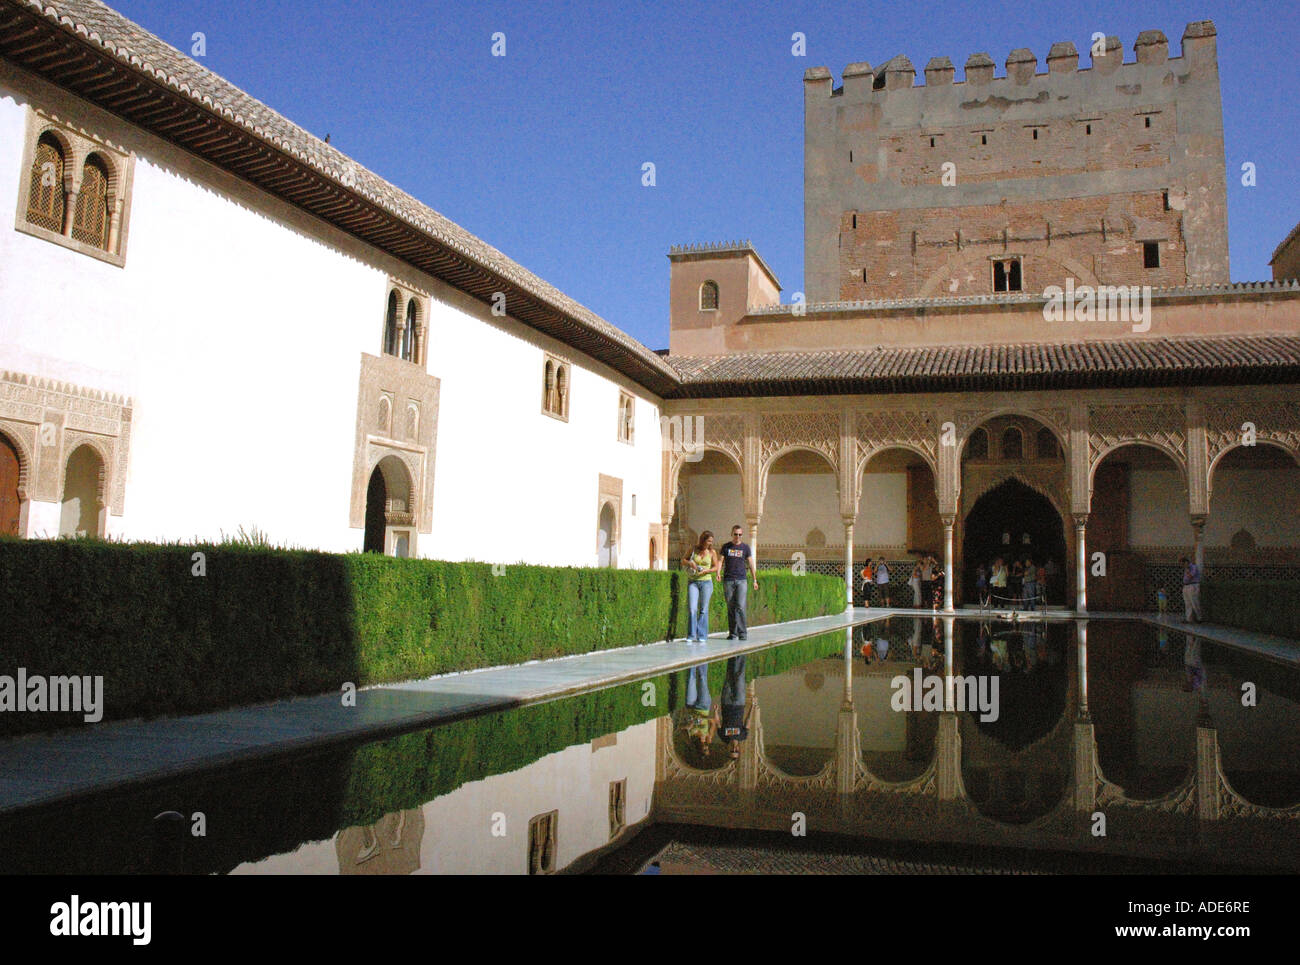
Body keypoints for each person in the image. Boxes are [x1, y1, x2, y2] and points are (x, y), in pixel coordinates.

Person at [681, 531, 720, 643]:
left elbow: (716, 567)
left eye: (711, 541)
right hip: (693, 582)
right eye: (708, 541)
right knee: (692, 609)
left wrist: (707, 571)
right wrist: (690, 563)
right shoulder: (693, 549)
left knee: (703, 609)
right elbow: (683, 560)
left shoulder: (712, 552)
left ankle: (702, 635)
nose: (710, 543)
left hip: (706, 583)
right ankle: (691, 635)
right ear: (703, 540)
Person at [720, 524, 758, 640]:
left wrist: (755, 580)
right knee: (731, 607)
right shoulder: (726, 547)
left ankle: (742, 633)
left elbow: (751, 564)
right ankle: (733, 633)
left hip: (742, 580)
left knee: (740, 606)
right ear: (732, 534)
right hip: (728, 580)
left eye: (740, 535)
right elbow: (720, 561)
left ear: (742, 535)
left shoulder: (745, 548)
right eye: (736, 534)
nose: (738, 536)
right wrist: (717, 573)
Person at [713, 655, 751, 760]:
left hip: (726, 703)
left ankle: (732, 655)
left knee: (729, 678)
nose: (734, 749)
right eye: (736, 751)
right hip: (739, 704)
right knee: (739, 678)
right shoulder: (743, 736)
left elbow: (718, 723)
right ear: (739, 749)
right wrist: (752, 707)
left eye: (732, 751)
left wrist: (716, 711)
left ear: (727, 749)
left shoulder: (723, 737)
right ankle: (743, 653)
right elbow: (747, 722)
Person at [1181, 555, 1202, 623]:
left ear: (1186, 562)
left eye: (1183, 563)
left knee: (1194, 602)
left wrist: (1187, 570)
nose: (1183, 565)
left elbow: (1191, 576)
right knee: (1187, 603)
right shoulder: (1186, 568)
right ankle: (1189, 618)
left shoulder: (1193, 567)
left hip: (1192, 585)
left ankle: (1199, 617)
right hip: (1186, 586)